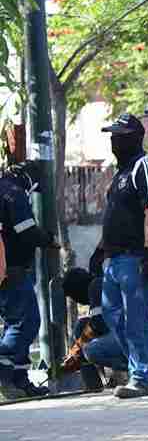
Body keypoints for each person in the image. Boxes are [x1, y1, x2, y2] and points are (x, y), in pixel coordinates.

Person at [97, 113, 148, 400]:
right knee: (113, 316)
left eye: (119, 136)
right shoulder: (120, 173)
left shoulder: (145, 167)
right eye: (112, 135)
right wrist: (101, 252)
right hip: (114, 261)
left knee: (137, 319)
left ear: (134, 138)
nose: (114, 141)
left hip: (137, 258)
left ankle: (142, 377)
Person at [60, 248, 148, 386]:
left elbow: (98, 324)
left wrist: (75, 351)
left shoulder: (95, 287)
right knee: (81, 326)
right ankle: (93, 385)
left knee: (90, 350)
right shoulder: (100, 281)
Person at [0, 162, 56, 400]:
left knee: (16, 324)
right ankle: (4, 377)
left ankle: (19, 381)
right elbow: (27, 231)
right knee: (25, 323)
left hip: (8, 270)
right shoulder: (13, 193)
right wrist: (49, 239)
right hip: (11, 271)